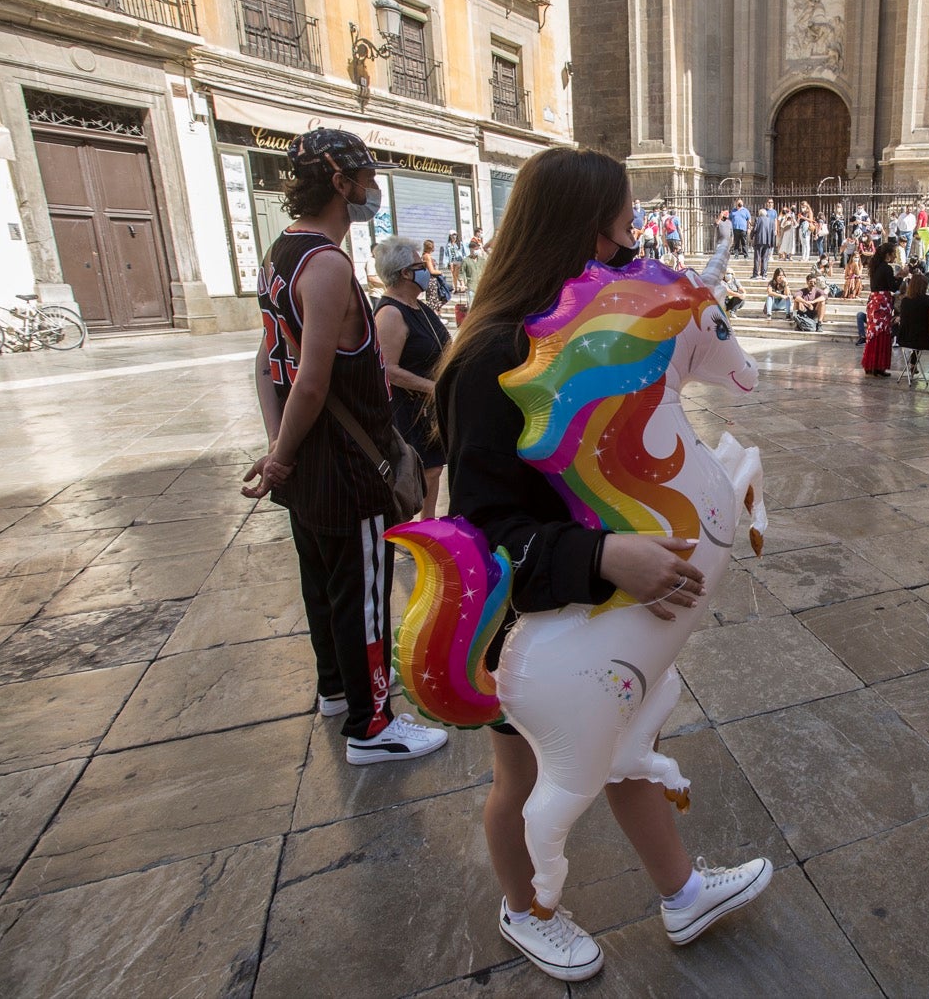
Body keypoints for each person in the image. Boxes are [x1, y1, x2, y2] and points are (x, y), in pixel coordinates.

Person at [434, 148, 772, 982]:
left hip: (607, 606)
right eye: (627, 234)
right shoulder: (490, 358)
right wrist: (604, 554)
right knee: (521, 771)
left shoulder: (589, 340)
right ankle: (526, 908)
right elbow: (482, 524)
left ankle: (681, 890)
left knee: (631, 740)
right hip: (526, 618)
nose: (637, 254)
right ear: (584, 237)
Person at [241, 128, 449, 766]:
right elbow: (311, 379)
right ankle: (372, 724)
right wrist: (280, 454)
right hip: (344, 466)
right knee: (363, 595)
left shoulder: (280, 254)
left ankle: (337, 690)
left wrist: (281, 446)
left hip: (309, 464)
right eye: (365, 178)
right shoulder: (327, 265)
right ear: (341, 184)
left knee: (323, 582)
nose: (373, 189)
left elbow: (266, 358)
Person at [372, 237, 452, 522]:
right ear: (405, 272)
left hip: (428, 407)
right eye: (420, 266)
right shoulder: (391, 312)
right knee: (414, 472)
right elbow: (388, 369)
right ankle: (407, 528)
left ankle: (427, 524)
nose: (426, 271)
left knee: (433, 469)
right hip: (407, 408)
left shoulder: (419, 307)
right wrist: (431, 387)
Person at [896, 269, 929, 385]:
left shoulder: (905, 301)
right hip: (921, 342)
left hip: (903, 340)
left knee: (917, 335)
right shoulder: (927, 299)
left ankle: (912, 365)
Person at [863, 240, 902, 376]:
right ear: (887, 255)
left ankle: (871, 364)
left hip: (874, 301)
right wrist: (901, 276)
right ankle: (879, 366)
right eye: (893, 254)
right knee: (882, 333)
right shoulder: (886, 268)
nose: (895, 257)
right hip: (882, 303)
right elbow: (893, 286)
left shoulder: (875, 267)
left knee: (873, 333)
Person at [750, 201, 777, 278]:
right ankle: (764, 274)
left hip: (759, 241)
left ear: (760, 214)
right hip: (767, 242)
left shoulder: (757, 219)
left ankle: (755, 274)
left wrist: (751, 236)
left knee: (757, 258)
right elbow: (772, 232)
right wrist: (772, 243)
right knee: (765, 258)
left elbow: (754, 229)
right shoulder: (771, 221)